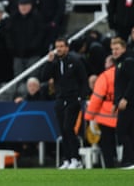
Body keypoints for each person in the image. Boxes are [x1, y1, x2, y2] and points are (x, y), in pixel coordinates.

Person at [41, 37, 89, 169]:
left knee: (69, 128)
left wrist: (81, 97)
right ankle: (67, 159)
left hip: (73, 98)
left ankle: (76, 159)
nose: (59, 49)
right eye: (57, 47)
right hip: (60, 98)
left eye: (62, 46)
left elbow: (83, 79)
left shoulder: (75, 60)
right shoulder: (55, 63)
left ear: (67, 48)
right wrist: (49, 62)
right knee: (63, 130)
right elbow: (44, 77)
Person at [110, 37, 134, 169]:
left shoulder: (127, 62)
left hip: (129, 104)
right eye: (113, 49)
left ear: (123, 49)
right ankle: (129, 161)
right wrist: (115, 102)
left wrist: (125, 99)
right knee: (129, 133)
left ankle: (131, 161)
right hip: (125, 103)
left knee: (121, 132)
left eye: (117, 49)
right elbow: (119, 85)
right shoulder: (120, 63)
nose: (115, 51)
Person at [84, 55, 117, 168]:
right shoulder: (126, 73)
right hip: (124, 115)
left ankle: (110, 167)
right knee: (125, 141)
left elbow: (97, 98)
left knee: (106, 143)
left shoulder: (105, 77)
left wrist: (88, 116)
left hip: (106, 116)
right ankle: (128, 163)